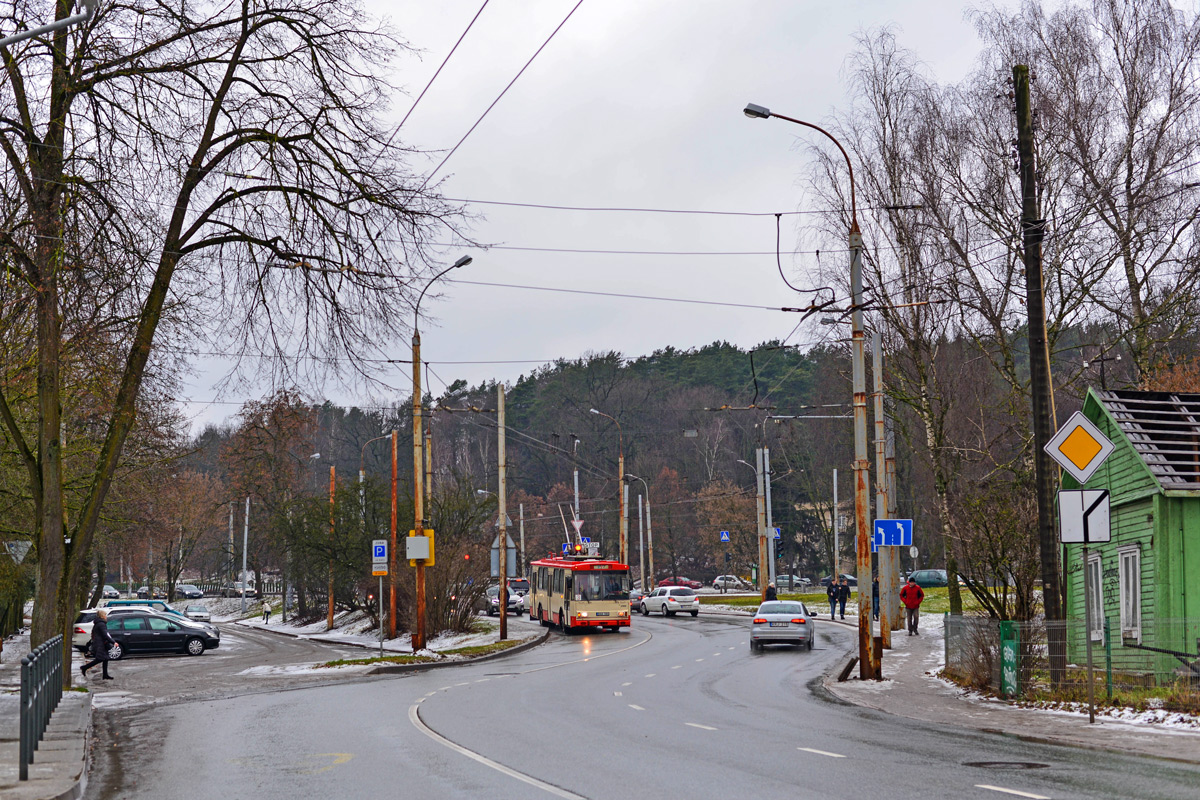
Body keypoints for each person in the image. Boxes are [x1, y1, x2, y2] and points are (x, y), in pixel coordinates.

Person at [81, 609, 116, 680]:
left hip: (101, 643)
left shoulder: (98, 623)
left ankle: (105, 675)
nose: (106, 616)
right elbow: (105, 635)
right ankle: (84, 667)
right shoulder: (101, 624)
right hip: (100, 644)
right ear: (102, 616)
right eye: (105, 615)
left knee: (106, 658)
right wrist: (113, 642)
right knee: (100, 659)